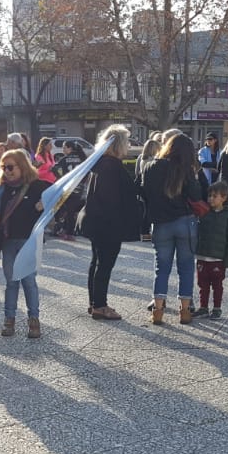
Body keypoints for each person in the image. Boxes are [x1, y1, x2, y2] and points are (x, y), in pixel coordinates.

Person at [140, 131, 202, 325]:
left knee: (162, 268)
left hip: (161, 223)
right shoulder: (185, 170)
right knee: (186, 267)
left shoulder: (150, 167)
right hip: (185, 222)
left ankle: (157, 310)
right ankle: (184, 311)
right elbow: (196, 195)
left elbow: (143, 193)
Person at [81, 125, 139, 321]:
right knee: (104, 264)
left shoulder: (98, 163)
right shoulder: (111, 166)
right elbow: (112, 198)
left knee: (96, 262)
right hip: (108, 223)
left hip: (96, 221)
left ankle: (94, 302)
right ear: (120, 145)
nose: (129, 146)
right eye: (127, 142)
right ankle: (100, 305)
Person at [0, 148, 49, 339]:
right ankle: (9, 320)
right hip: (8, 241)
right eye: (3, 167)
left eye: (10, 167)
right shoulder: (1, 187)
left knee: (29, 281)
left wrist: (43, 206)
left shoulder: (37, 186)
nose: (6, 171)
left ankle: (34, 320)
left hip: (28, 240)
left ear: (22, 166)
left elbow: (60, 200)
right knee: (11, 282)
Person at [193, 181, 228, 319]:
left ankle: (217, 308)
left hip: (218, 259)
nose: (211, 199)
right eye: (209, 196)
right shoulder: (204, 212)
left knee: (217, 285)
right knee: (202, 284)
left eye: (214, 196)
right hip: (202, 256)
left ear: (223, 198)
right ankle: (203, 307)